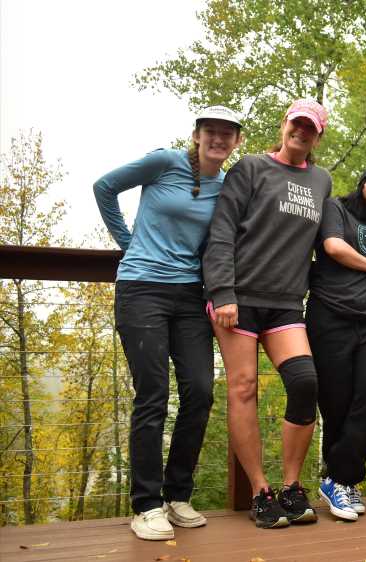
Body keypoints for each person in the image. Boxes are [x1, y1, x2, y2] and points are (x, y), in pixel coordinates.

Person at [95, 106, 243, 541]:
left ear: (237, 142)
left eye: (227, 134)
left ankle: (178, 495)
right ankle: (145, 504)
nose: (218, 139)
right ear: (197, 135)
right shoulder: (165, 162)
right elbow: (104, 187)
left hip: (191, 295)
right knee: (154, 393)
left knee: (200, 390)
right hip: (142, 288)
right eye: (210, 131)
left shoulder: (227, 185)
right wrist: (128, 242)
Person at [202, 99, 332, 529]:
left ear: (318, 136)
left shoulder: (321, 181)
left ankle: (291, 488)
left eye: (309, 128)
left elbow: (325, 241)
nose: (300, 132)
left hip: (286, 304)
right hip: (238, 300)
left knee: (305, 381)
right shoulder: (251, 169)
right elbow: (221, 230)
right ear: (284, 126)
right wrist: (222, 292)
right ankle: (260, 491)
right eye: (295, 124)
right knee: (243, 388)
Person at [308, 161, 366, 521]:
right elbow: (333, 246)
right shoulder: (335, 207)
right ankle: (341, 482)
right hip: (329, 314)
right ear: (365, 179)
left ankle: (341, 478)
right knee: (336, 403)